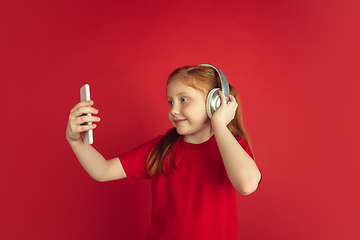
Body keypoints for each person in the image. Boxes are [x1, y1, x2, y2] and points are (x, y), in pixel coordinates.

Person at [66, 64, 261, 240]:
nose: (174, 110)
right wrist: (76, 142)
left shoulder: (231, 148)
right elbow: (103, 171)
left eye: (183, 100)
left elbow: (246, 184)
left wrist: (219, 123)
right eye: (170, 102)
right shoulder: (162, 149)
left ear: (215, 104)